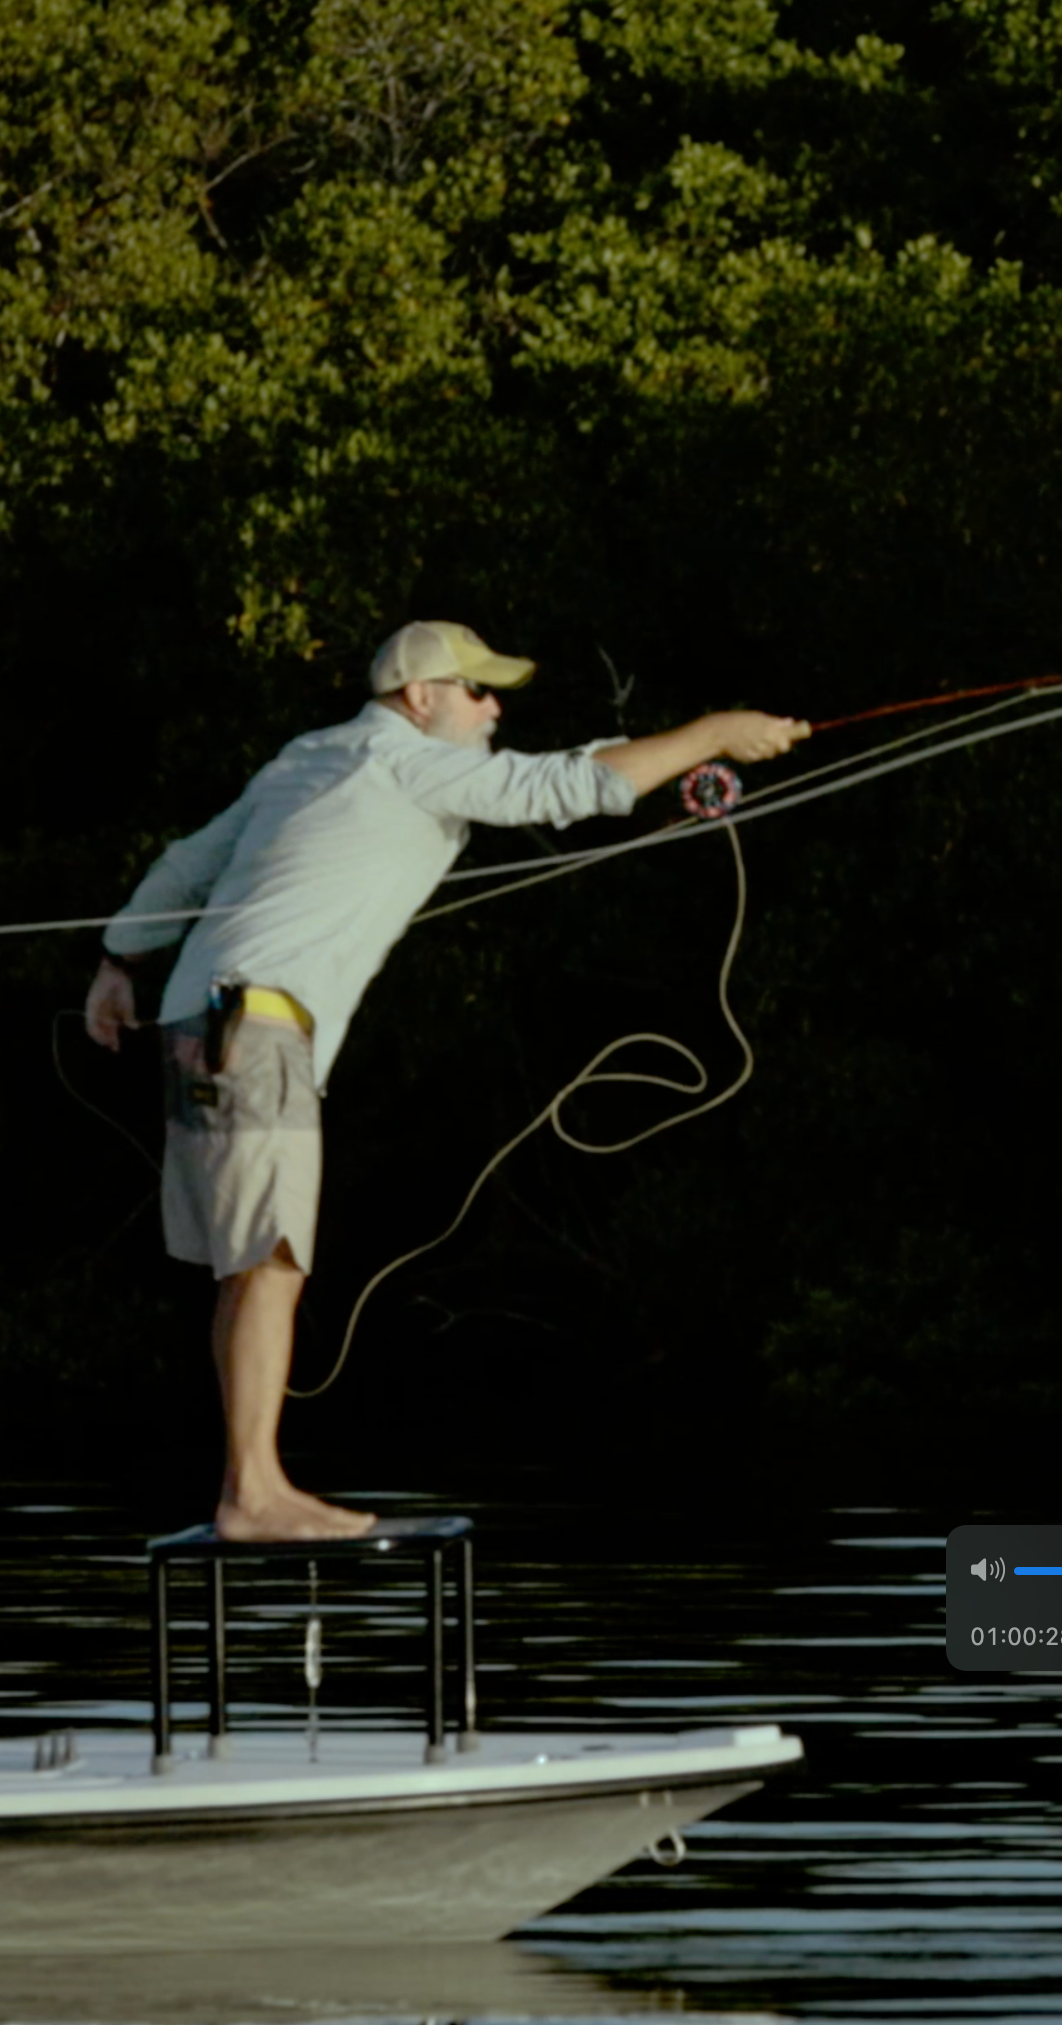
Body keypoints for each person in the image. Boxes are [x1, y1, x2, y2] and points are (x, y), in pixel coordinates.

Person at [85, 618, 805, 1540]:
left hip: (208, 1022)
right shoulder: (405, 761)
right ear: (418, 698)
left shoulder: (310, 754)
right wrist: (715, 731)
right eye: (476, 691)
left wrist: (119, 957)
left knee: (250, 1269)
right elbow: (572, 785)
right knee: (269, 1263)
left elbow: (191, 860)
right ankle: (252, 1495)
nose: (494, 706)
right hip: (253, 1027)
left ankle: (248, 1486)